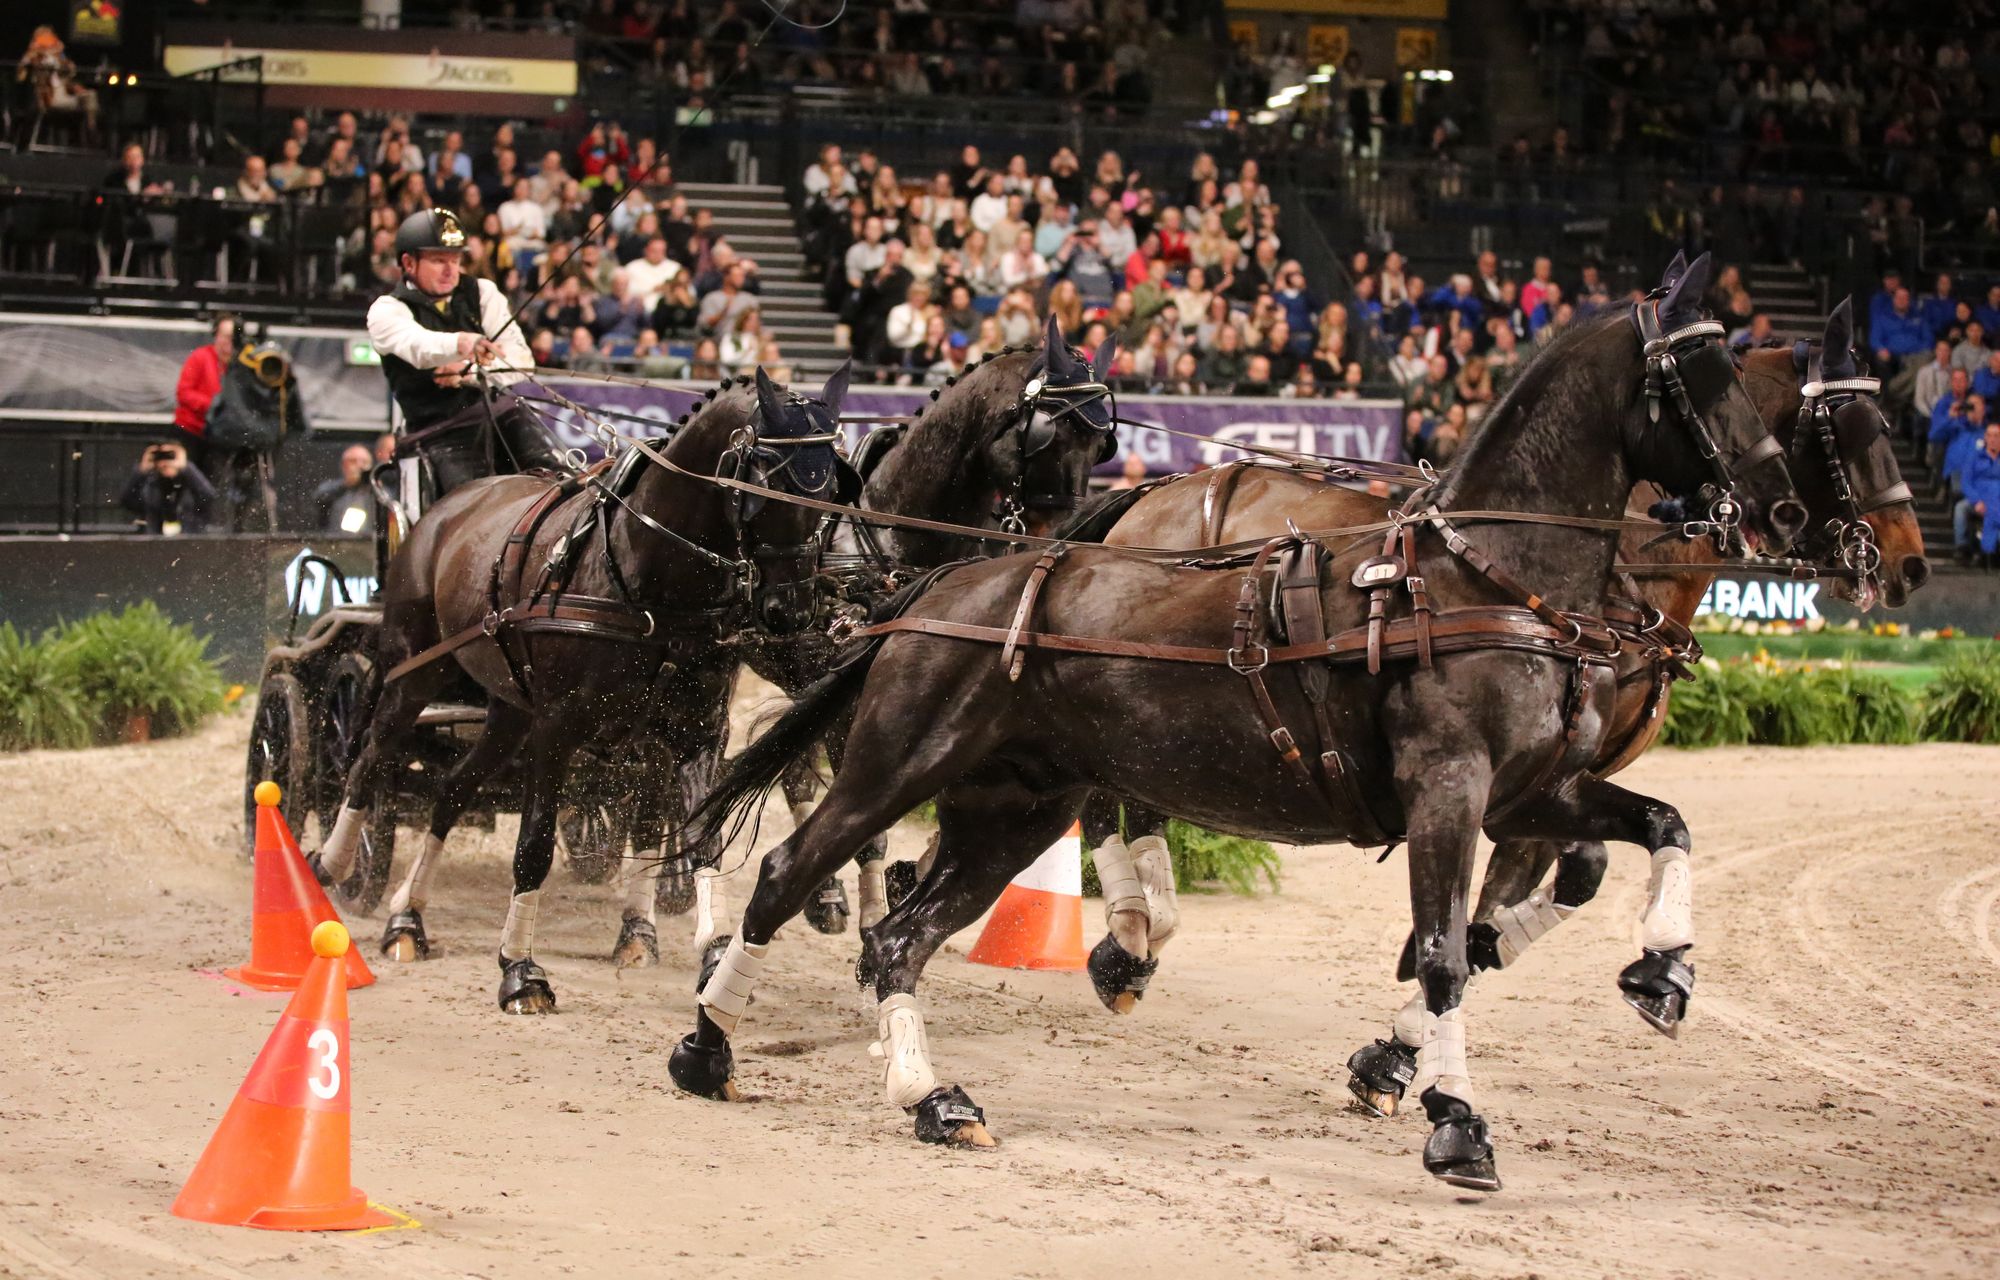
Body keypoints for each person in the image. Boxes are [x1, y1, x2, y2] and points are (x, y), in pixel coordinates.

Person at [365, 208, 563, 501]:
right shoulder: (386, 311)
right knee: (471, 505)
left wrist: (468, 373)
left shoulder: (483, 293)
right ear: (408, 262)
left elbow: (521, 361)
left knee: (562, 484)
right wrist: (462, 343)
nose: (451, 270)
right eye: (438, 260)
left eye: (456, 260)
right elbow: (418, 347)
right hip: (439, 433)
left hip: (504, 415)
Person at [172, 316, 239, 473]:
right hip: (191, 431)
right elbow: (183, 393)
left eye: (234, 337)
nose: (230, 341)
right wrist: (213, 406)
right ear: (216, 335)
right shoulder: (199, 357)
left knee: (211, 488)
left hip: (221, 437)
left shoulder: (240, 364)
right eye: (226, 336)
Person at [121, 442, 216, 535]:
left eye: (170, 456)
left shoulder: (190, 485)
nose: (165, 463)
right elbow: (127, 501)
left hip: (188, 542)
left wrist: (186, 468)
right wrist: (142, 470)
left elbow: (208, 496)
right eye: (160, 457)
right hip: (155, 542)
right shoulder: (150, 485)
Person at [316, 444, 379, 534]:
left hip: (368, 541)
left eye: (364, 462)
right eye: (353, 461)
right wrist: (347, 484)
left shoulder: (376, 490)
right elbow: (320, 497)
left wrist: (376, 488)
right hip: (338, 540)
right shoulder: (334, 488)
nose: (359, 465)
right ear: (343, 464)